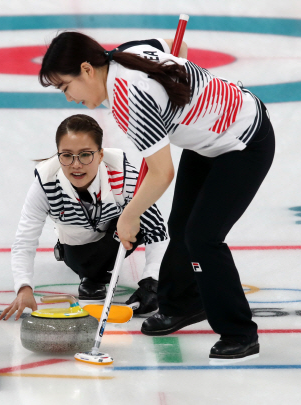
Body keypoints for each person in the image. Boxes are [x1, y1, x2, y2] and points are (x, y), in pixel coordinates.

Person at [39, 33, 275, 362]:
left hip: (243, 140)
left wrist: (129, 215)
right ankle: (184, 304)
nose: (68, 97)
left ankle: (240, 333)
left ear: (87, 69)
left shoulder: (128, 97)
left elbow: (162, 172)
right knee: (180, 226)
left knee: (203, 237)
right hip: (208, 138)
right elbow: (172, 45)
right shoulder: (124, 54)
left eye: (66, 87)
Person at [0, 114, 169, 321]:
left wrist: (152, 281)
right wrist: (24, 287)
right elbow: (25, 240)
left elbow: (157, 230)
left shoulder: (123, 175)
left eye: (85, 155)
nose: (76, 164)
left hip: (117, 234)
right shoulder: (46, 182)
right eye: (67, 155)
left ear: (100, 155)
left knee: (140, 215)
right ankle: (91, 276)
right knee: (89, 265)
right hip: (78, 251)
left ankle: (99, 273)